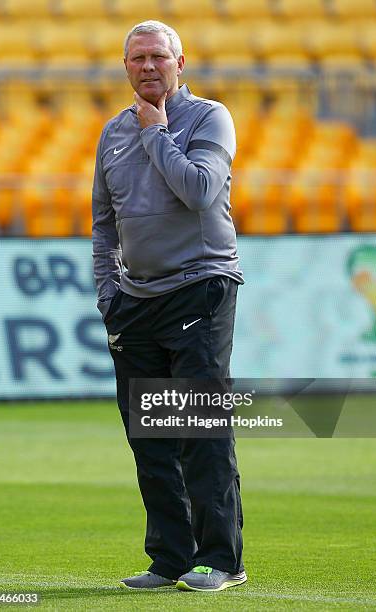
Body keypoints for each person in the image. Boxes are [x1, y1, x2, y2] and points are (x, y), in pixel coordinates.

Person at [92, 20, 246, 592]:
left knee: (201, 428)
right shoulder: (110, 133)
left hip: (201, 286)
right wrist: (108, 295)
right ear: (125, 66)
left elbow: (201, 191)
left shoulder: (209, 117)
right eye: (138, 59)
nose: (149, 66)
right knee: (150, 436)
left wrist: (157, 134)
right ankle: (171, 558)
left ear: (182, 62)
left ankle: (223, 561)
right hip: (134, 301)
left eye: (159, 56)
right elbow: (104, 225)